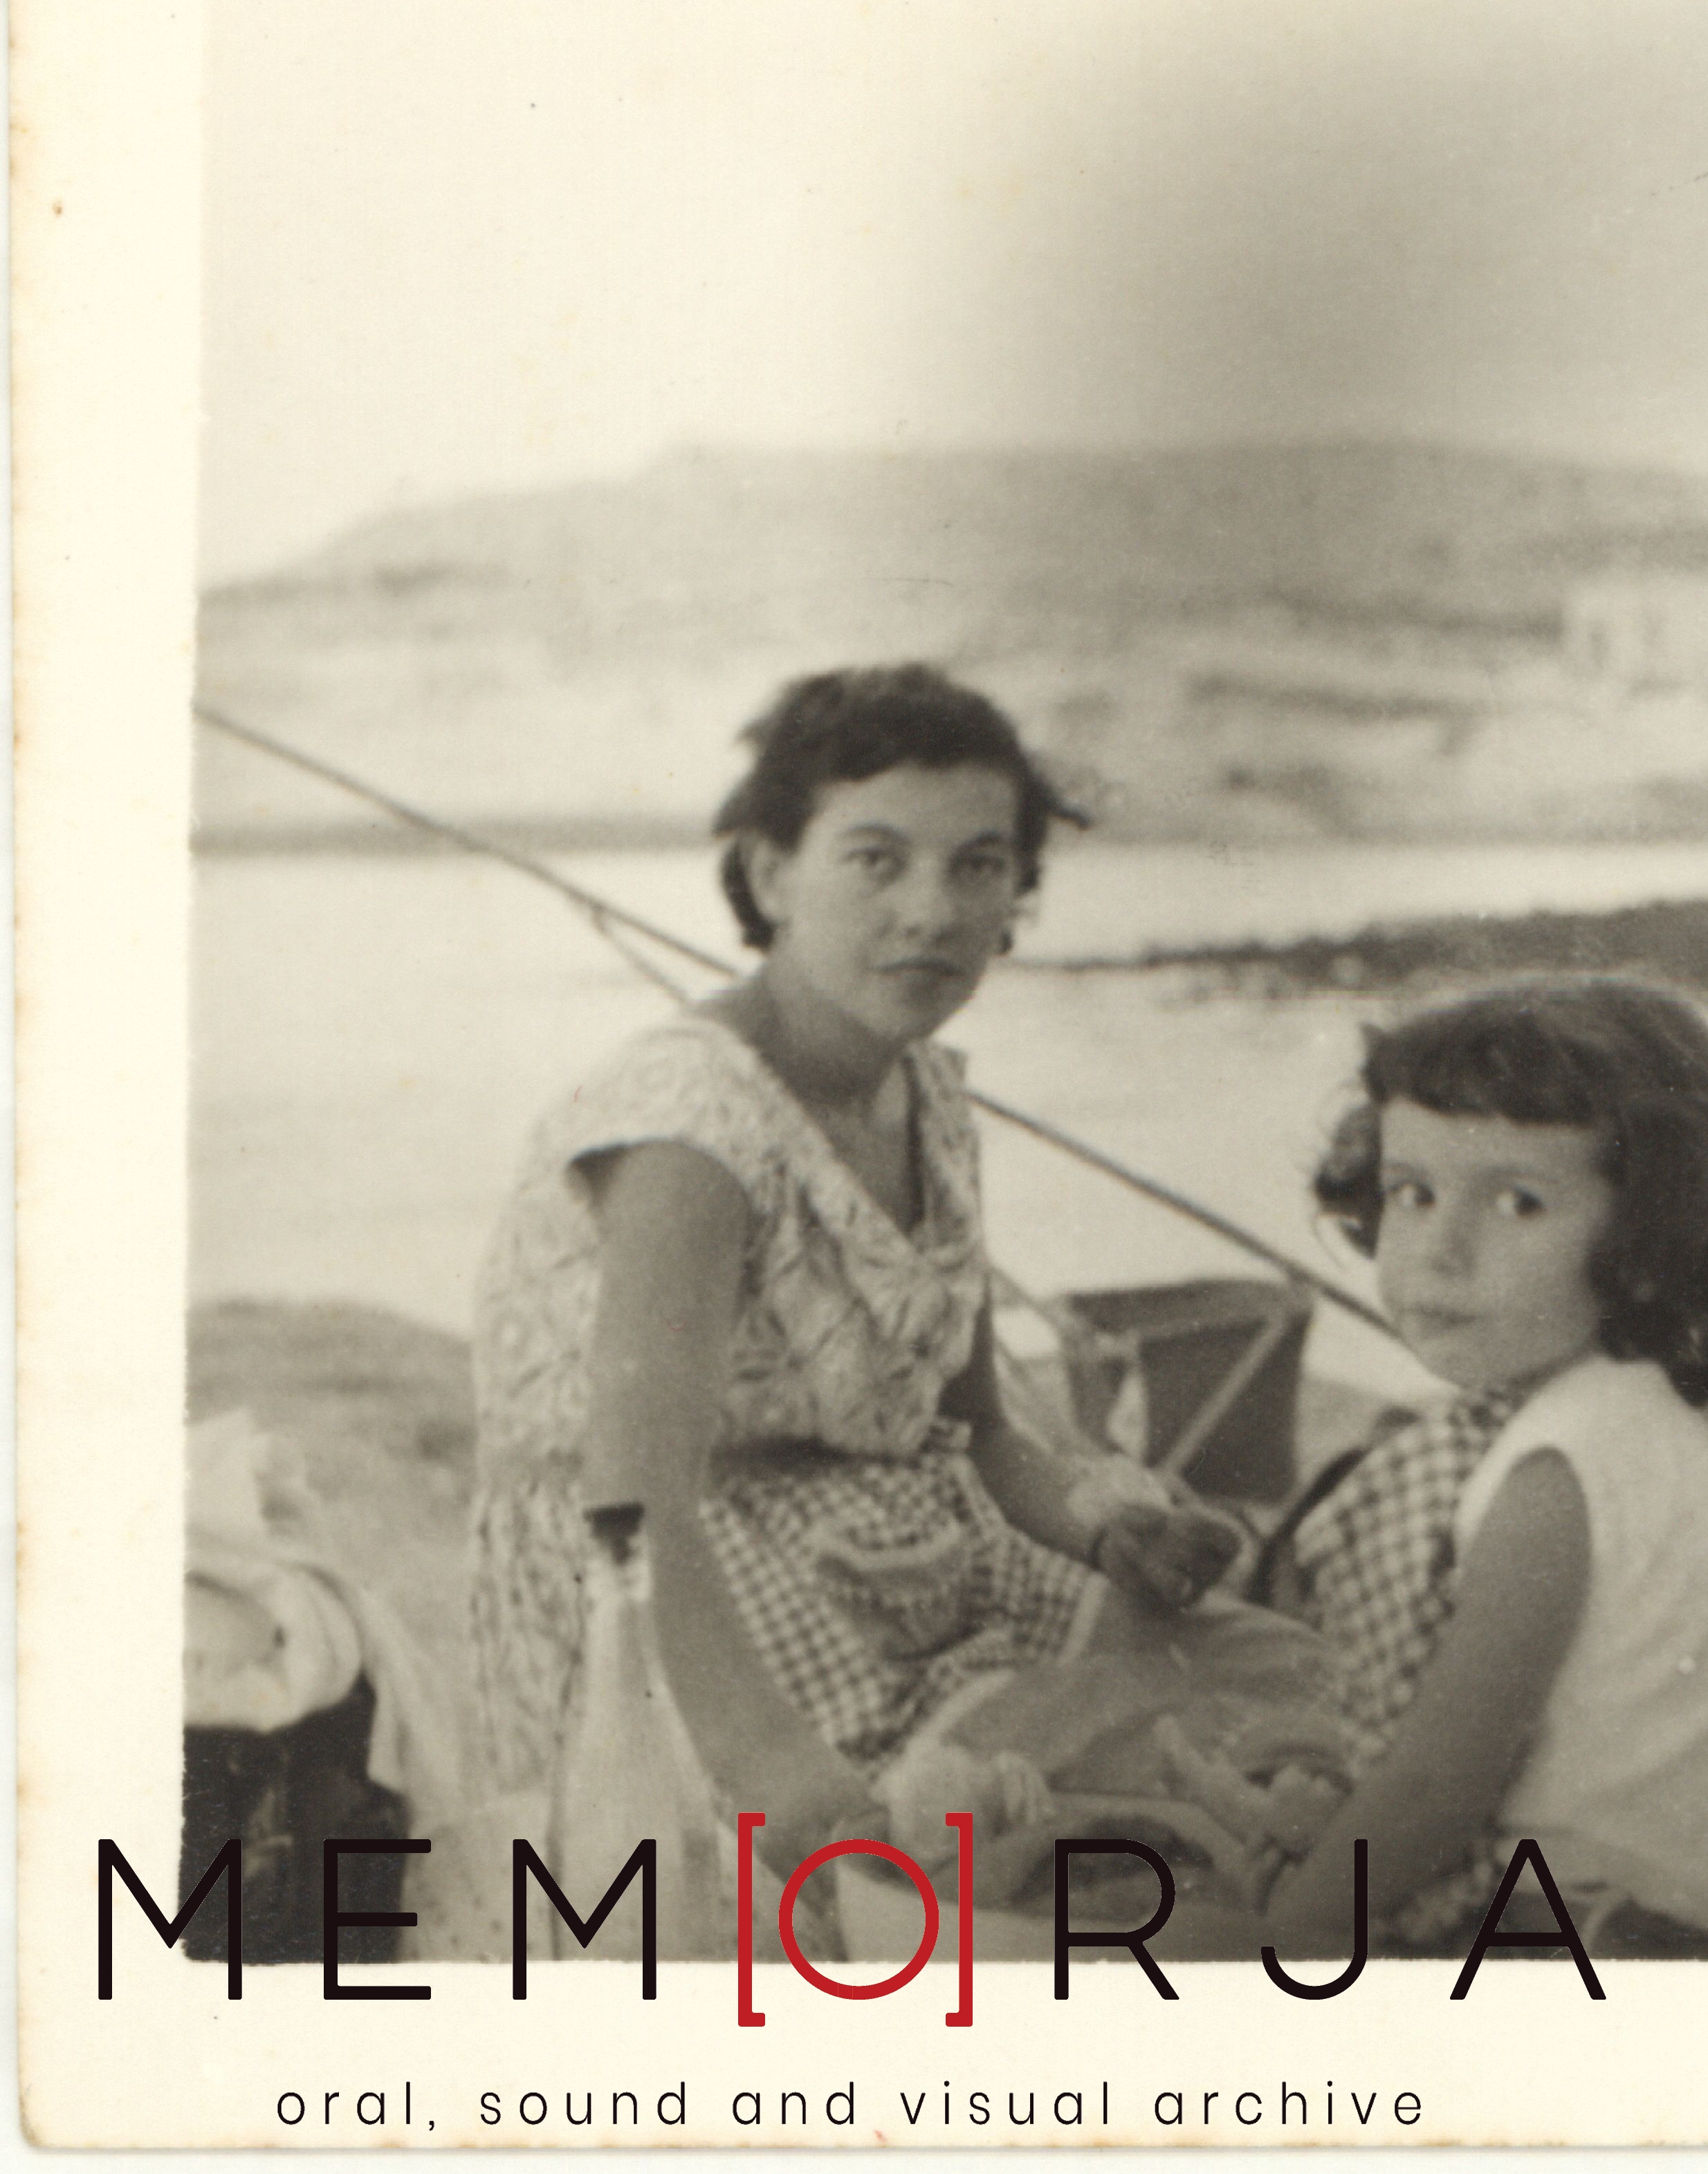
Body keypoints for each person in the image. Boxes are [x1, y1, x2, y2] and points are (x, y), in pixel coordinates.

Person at [462, 666, 1244, 1907]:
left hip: (895, 1554)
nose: (933, 909)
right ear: (772, 874)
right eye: (876, 860)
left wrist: (1101, 1524)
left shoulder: (930, 1095)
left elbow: (977, 1430)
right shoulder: (688, 1129)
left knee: (1240, 1701)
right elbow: (634, 1503)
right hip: (671, 1613)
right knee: (975, 1867)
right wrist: (790, 1787)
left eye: (979, 865)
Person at [1262, 979, 1708, 1959]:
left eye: (1517, 1202)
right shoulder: (1644, 1405)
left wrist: (1294, 1927)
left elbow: (1438, 1787)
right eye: (1412, 1192)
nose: (1441, 1250)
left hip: (1667, 1952)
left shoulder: (1556, 1470)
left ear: (1649, 1235)